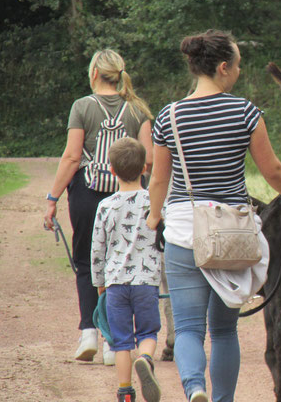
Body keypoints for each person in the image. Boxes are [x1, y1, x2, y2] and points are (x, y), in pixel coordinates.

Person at [146, 29, 281, 402]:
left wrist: (155, 216)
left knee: (186, 329)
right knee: (223, 330)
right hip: (231, 232)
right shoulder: (245, 112)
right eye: (237, 64)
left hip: (185, 230)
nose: (239, 70)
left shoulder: (169, 116)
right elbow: (273, 171)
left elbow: (158, 179)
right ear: (222, 68)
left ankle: (195, 389)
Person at [43, 49, 154, 365]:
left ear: (94, 73)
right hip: (130, 197)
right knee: (123, 263)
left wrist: (52, 199)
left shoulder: (82, 107)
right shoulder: (138, 109)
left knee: (86, 261)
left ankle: (89, 331)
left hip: (87, 194)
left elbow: (72, 157)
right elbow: (148, 161)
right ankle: (113, 342)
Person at [91, 137, 162, 402]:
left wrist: (100, 283)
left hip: (116, 284)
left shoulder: (105, 207)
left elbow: (97, 249)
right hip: (146, 283)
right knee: (148, 333)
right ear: (145, 168)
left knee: (120, 341)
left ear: (111, 170)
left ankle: (125, 392)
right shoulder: (154, 203)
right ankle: (144, 359)